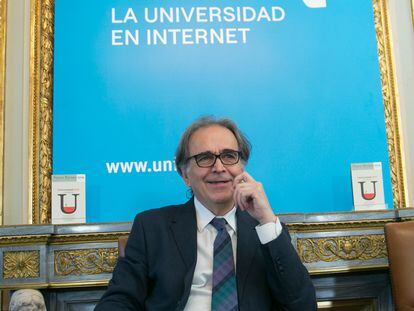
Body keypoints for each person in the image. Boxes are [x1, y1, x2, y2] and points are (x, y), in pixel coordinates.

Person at [95, 116, 316, 310]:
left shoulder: (266, 231)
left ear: (242, 168)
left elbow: (302, 305)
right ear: (185, 174)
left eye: (229, 156)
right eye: (205, 158)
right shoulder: (151, 227)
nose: (219, 167)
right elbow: (120, 299)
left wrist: (267, 219)